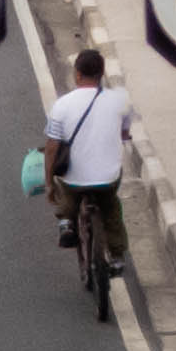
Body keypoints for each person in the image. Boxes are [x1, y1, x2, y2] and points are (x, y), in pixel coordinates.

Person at [40, 47, 137, 279]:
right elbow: (125, 132)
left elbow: (52, 147)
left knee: (67, 191)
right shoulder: (120, 100)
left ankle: (66, 222)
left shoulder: (62, 105)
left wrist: (48, 183)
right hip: (108, 177)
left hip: (75, 180)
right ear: (101, 74)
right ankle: (116, 257)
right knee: (112, 208)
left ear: (77, 74)